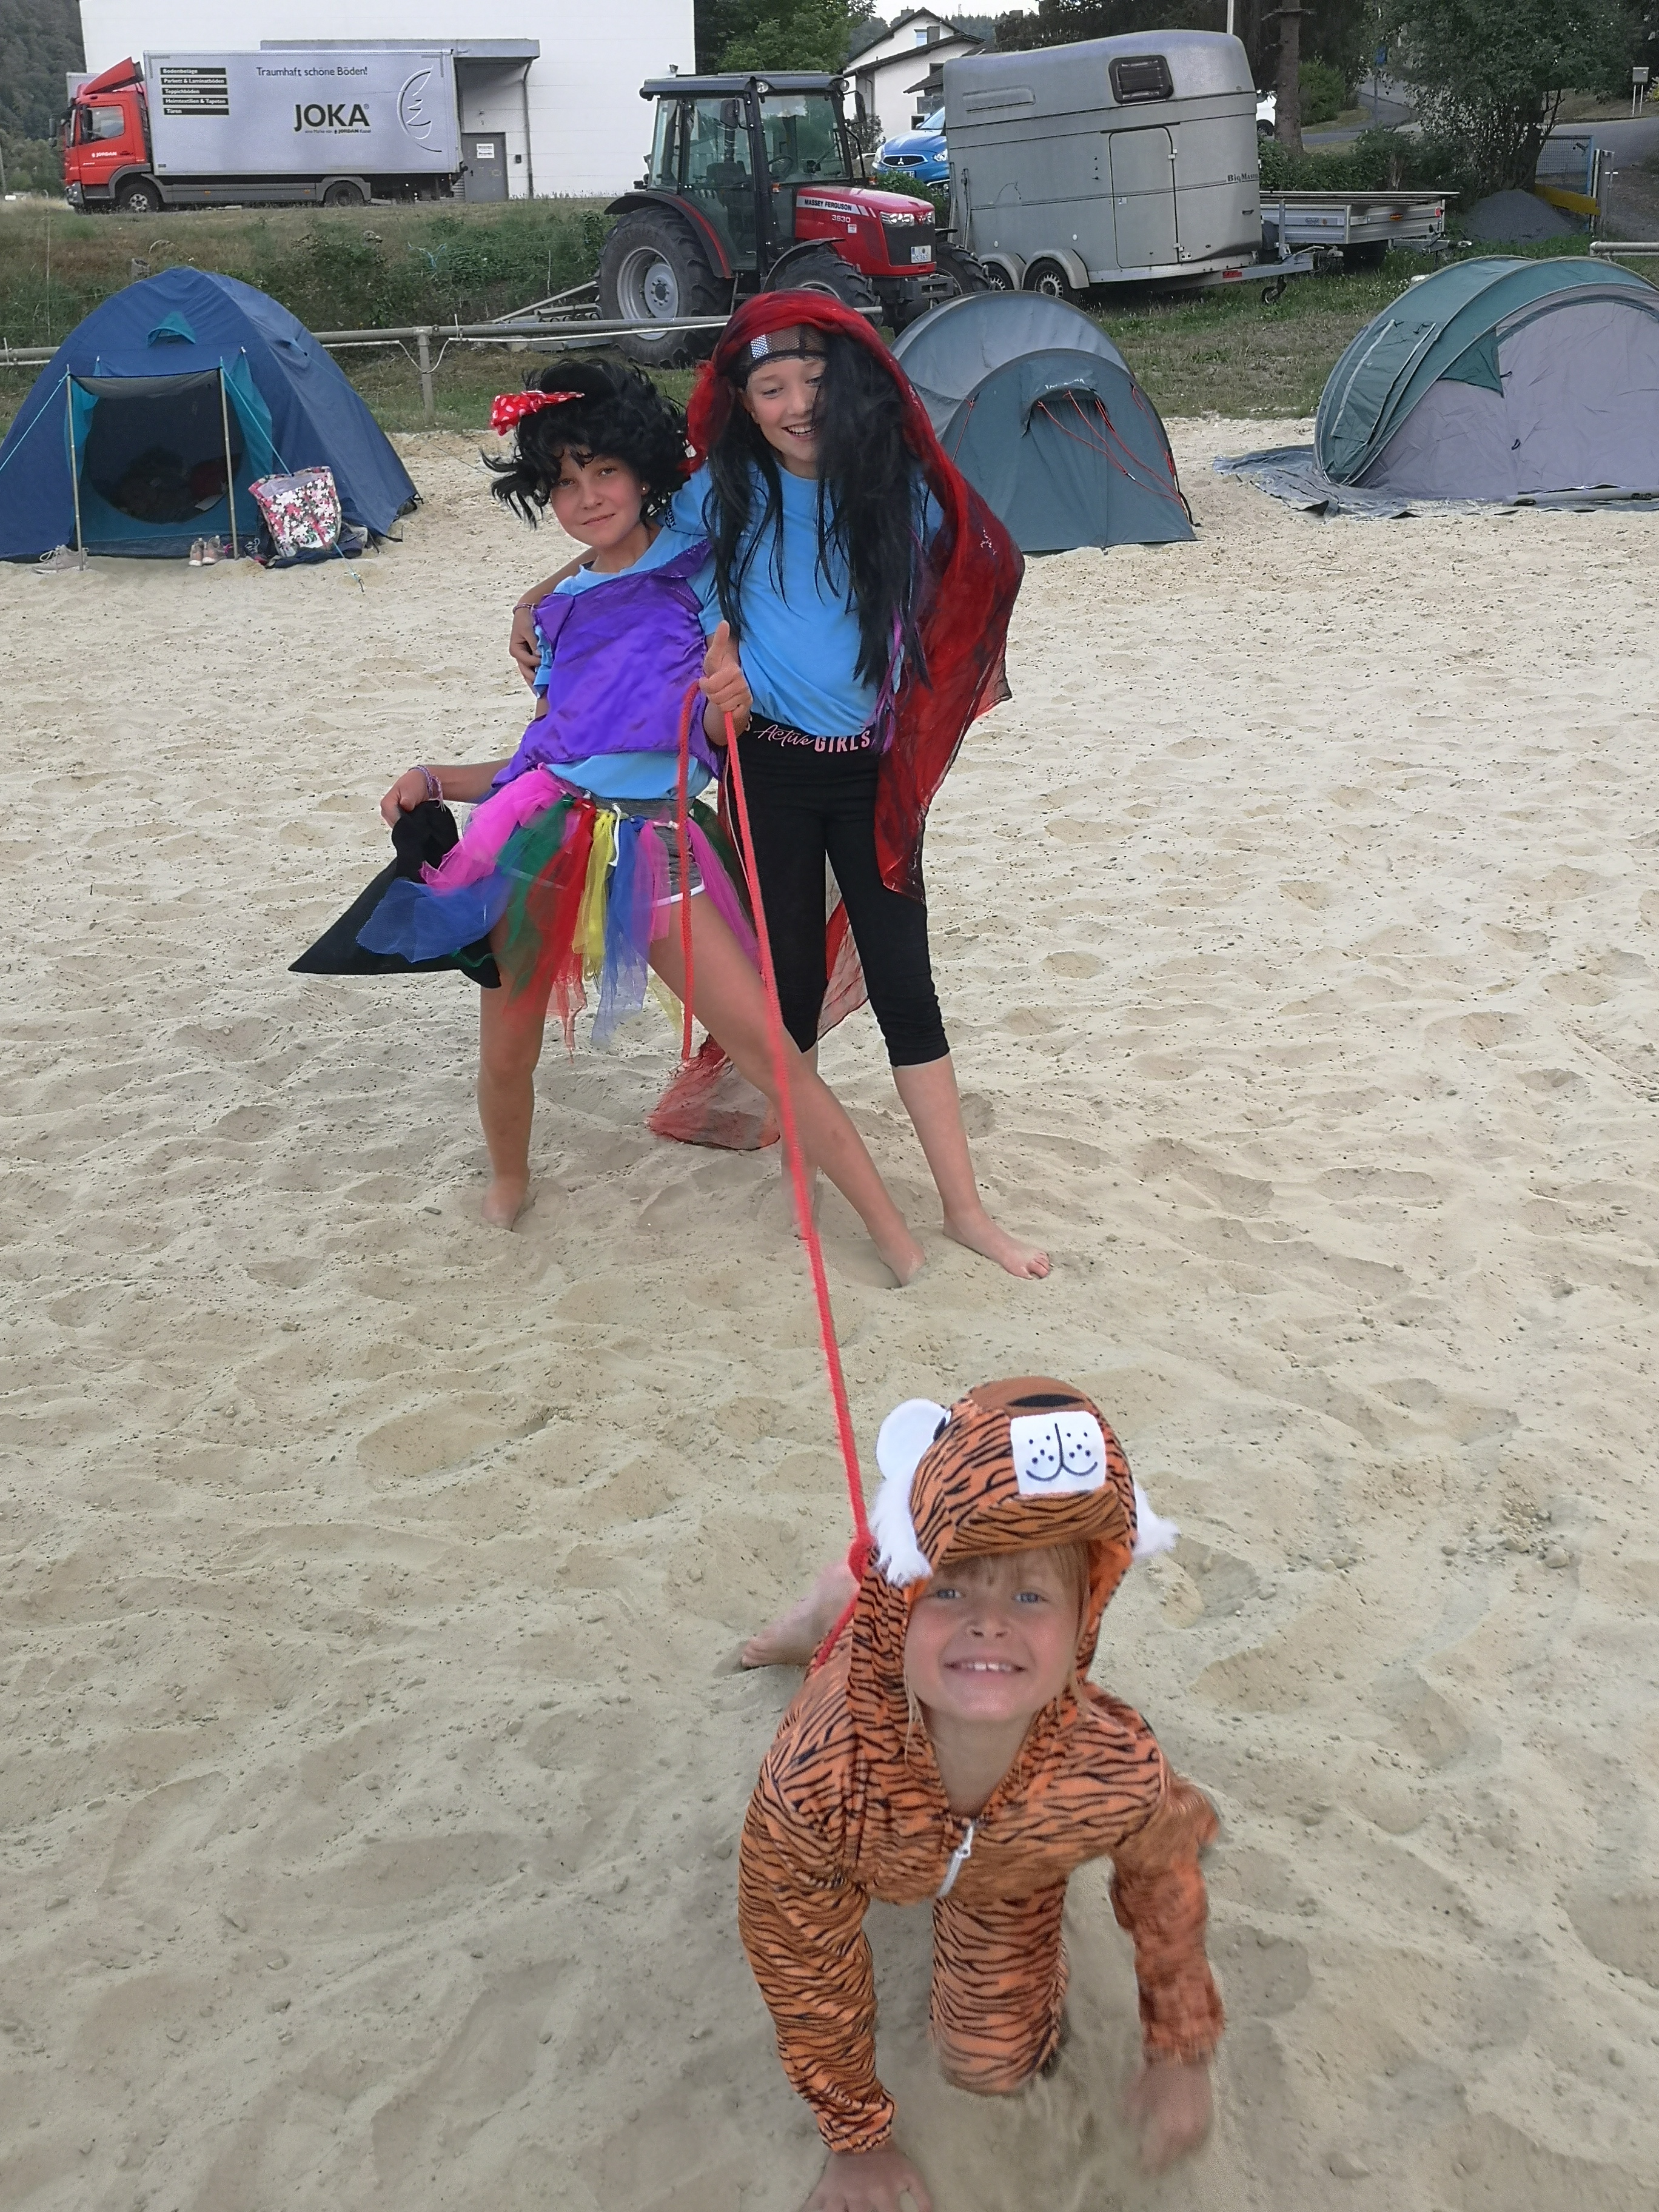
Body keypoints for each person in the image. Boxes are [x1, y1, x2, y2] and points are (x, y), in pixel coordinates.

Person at [509, 300, 1048, 1281]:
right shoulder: (726, 494)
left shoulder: (901, 488)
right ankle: (809, 1185)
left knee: (907, 987)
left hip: (874, 773)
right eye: (772, 389)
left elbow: (980, 561)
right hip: (770, 774)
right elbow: (626, 541)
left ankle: (966, 1211)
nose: (798, 404)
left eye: (814, 381)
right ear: (744, 403)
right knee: (787, 988)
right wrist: (540, 592)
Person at [361, 358, 923, 1279]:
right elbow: (545, 756)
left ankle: (890, 1230)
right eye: (564, 483)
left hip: (658, 838)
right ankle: (509, 1182)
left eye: (605, 471)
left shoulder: (703, 572)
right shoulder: (558, 613)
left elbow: (719, 726)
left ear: (643, 469)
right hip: (539, 833)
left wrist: (730, 702)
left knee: (771, 1050)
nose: (587, 497)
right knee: (506, 1051)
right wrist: (434, 776)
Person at [738, 1378, 1222, 2212]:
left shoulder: (1113, 1766)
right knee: (845, 1640)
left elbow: (1167, 1877)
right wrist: (858, 2142)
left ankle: (856, 1597)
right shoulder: (815, 1783)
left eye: (1030, 1595)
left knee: (992, 2062)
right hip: (866, 1737)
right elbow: (801, 1963)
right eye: (950, 1588)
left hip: (1007, 1867)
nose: (989, 1620)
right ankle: (838, 1605)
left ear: (1084, 1620)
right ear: (906, 1604)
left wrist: (1180, 2050)